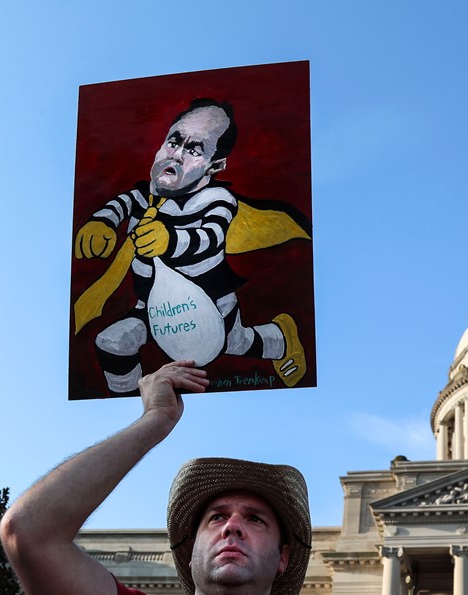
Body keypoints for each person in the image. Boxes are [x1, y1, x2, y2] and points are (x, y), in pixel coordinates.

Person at [0, 359, 312, 595]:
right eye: (216, 517)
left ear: (283, 557)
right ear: (190, 552)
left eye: (254, 518)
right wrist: (155, 419)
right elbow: (29, 530)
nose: (232, 526)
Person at [73, 98, 307, 394]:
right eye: (173, 142)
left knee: (234, 343)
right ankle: (132, 399)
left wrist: (170, 240)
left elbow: (210, 237)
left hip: (212, 307)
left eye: (194, 149)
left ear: (216, 165)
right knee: (112, 344)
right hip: (153, 309)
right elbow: (119, 206)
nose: (177, 155)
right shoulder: (143, 196)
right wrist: (101, 223)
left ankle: (281, 338)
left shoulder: (217, 200)